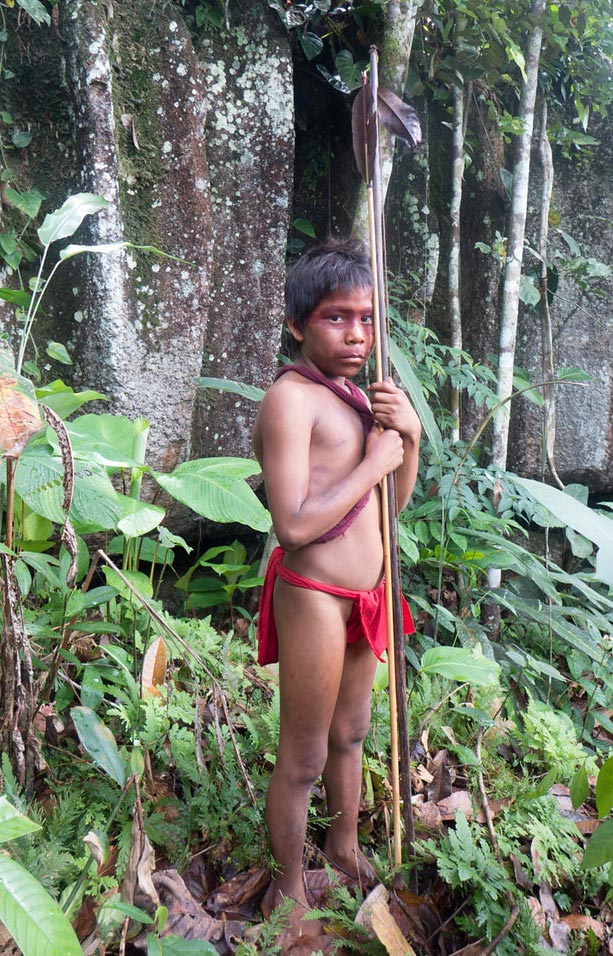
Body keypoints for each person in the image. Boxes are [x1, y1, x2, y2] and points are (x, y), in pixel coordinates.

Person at [252, 237, 422, 936]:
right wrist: (374, 458)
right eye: (334, 318)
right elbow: (291, 524)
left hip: (367, 595)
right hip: (314, 592)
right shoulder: (291, 401)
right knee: (306, 753)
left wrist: (406, 439)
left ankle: (342, 848)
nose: (356, 333)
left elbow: (391, 508)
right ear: (297, 325)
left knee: (352, 733)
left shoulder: (359, 398)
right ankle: (285, 890)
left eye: (365, 318)